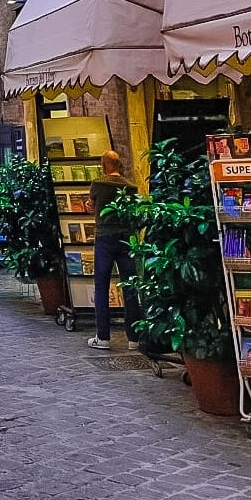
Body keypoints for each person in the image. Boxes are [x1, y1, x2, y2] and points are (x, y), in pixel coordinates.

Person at [87, 150, 142, 350]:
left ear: (103, 165)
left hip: (104, 238)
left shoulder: (98, 184)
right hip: (126, 238)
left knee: (101, 286)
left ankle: (103, 337)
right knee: (130, 286)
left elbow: (91, 206)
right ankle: (134, 339)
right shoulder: (131, 187)